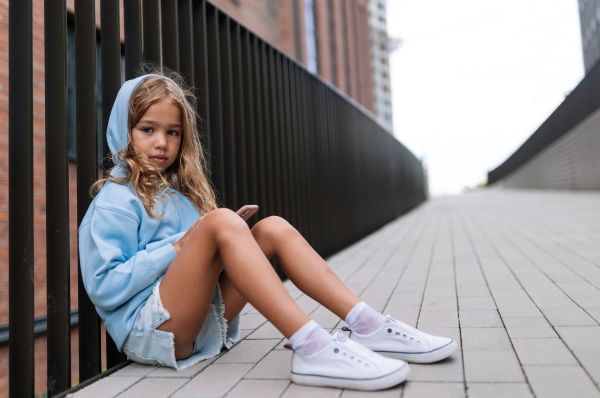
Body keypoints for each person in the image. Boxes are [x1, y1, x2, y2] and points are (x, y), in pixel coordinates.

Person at [79, 70, 457, 391]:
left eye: (173, 132)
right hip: (152, 333)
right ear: (124, 131)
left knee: (270, 228)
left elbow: (193, 274)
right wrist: (181, 246)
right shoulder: (115, 200)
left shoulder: (180, 194)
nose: (162, 142)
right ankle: (311, 347)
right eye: (148, 129)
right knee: (220, 221)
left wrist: (226, 244)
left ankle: (366, 324)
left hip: (192, 319)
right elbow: (105, 286)